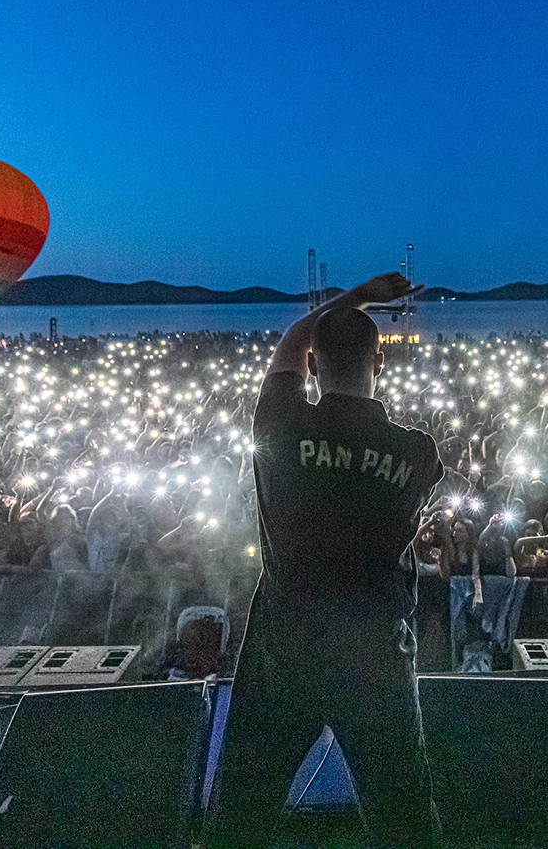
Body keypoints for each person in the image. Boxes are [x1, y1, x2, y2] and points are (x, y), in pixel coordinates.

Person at [206, 272, 443, 849]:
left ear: (313, 366)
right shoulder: (416, 453)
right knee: (404, 819)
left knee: (242, 813)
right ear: (379, 363)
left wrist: (357, 294)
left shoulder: (280, 427)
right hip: (375, 655)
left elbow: (292, 337)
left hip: (284, 650)